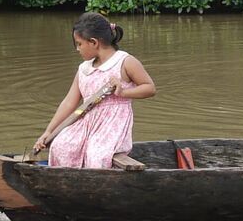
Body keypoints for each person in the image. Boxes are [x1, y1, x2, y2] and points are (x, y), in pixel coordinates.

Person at [34, 12, 157, 168]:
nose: (77, 49)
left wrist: (124, 92)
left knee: (97, 157)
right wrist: (48, 131)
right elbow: (69, 103)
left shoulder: (124, 61)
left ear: (93, 42)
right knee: (61, 147)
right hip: (85, 121)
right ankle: (68, 184)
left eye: (79, 44)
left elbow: (150, 88)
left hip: (112, 124)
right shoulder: (84, 69)